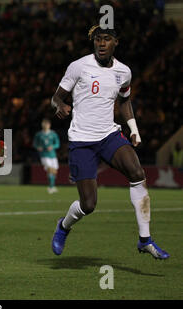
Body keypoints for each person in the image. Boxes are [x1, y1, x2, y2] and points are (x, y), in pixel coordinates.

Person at [50, 24, 169, 260]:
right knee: (89, 205)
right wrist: (60, 106)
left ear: (116, 42)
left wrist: (133, 129)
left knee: (137, 172)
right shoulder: (78, 66)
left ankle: (145, 239)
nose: (101, 44)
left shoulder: (124, 72)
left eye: (106, 39)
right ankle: (63, 226)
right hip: (82, 140)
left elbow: (124, 101)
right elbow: (56, 97)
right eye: (97, 40)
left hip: (109, 135)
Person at [33, 118, 60, 194]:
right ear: (42, 125)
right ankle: (50, 187)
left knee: (54, 171)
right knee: (50, 169)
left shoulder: (53, 134)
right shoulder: (39, 134)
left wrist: (53, 146)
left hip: (53, 155)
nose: (45, 126)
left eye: (47, 124)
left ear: (49, 125)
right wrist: (38, 147)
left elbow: (57, 144)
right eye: (44, 124)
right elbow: (35, 144)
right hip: (44, 155)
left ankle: (52, 186)